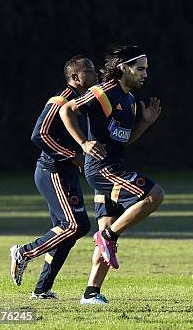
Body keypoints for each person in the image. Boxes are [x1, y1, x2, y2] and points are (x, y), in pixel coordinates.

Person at [59, 45, 163, 305]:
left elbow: (123, 141)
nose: (145, 74)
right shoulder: (103, 91)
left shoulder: (128, 100)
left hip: (114, 167)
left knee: (107, 227)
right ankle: (108, 238)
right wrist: (83, 143)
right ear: (123, 68)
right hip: (103, 169)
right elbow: (66, 111)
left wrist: (145, 123)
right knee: (154, 195)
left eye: (146, 69)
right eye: (140, 69)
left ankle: (91, 293)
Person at [9, 56, 98, 299]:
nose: (96, 73)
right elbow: (39, 135)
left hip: (67, 173)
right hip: (52, 172)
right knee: (76, 226)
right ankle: (23, 253)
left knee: (65, 232)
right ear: (76, 77)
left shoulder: (85, 101)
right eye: (89, 70)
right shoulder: (60, 100)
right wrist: (72, 155)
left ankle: (42, 289)